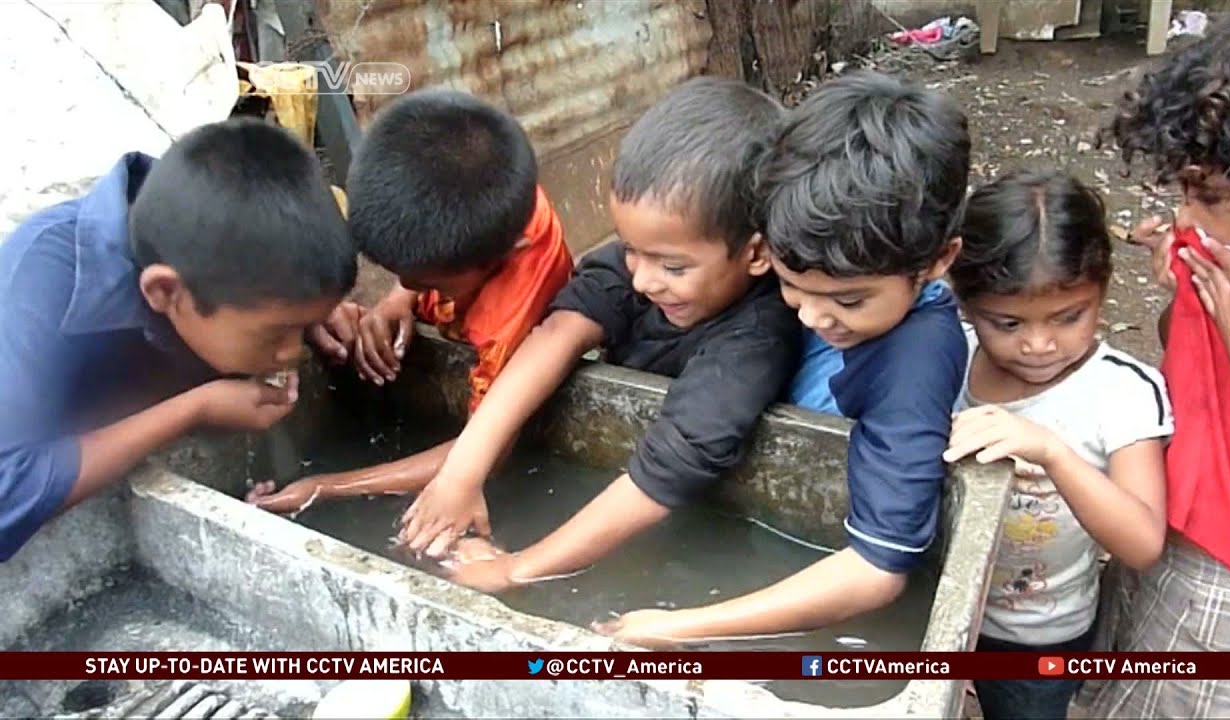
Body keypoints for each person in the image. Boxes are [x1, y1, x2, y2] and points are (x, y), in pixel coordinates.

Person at [598, 71, 970, 645]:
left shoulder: (913, 365)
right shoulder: (803, 234)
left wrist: (682, 625)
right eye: (792, 286)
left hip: (818, 589)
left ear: (938, 261)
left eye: (848, 301)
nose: (813, 317)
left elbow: (876, 569)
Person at [395, 76, 801, 591]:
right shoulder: (649, 261)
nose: (643, 279)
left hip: (698, 527)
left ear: (757, 253)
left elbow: (666, 472)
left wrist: (515, 569)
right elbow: (557, 334)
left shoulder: (757, 339)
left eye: (673, 267)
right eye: (630, 249)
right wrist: (461, 473)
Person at [0, 117, 356, 561]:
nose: (293, 352)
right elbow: (7, 491)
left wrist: (308, 310)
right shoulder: (38, 294)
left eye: (299, 329)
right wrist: (194, 409)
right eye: (276, 334)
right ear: (165, 292)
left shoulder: (217, 252)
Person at [1081, 6, 1230, 717]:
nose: (1188, 217)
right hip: (1175, 525)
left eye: (1209, 196)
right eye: (1185, 189)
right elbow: (1190, 363)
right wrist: (1182, 297)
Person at [247, 88, 573, 514]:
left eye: (427, 281)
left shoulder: (507, 325)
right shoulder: (490, 196)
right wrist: (396, 302)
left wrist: (327, 486)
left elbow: (485, 453)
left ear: (506, 253)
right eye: (401, 275)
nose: (408, 285)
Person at [942, 169, 1171, 720]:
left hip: (1040, 630)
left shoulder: (1122, 393)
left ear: (1102, 289)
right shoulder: (948, 355)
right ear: (965, 302)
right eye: (1008, 323)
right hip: (939, 606)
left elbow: (1143, 543)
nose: (1039, 343)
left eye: (1068, 317)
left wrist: (1052, 452)